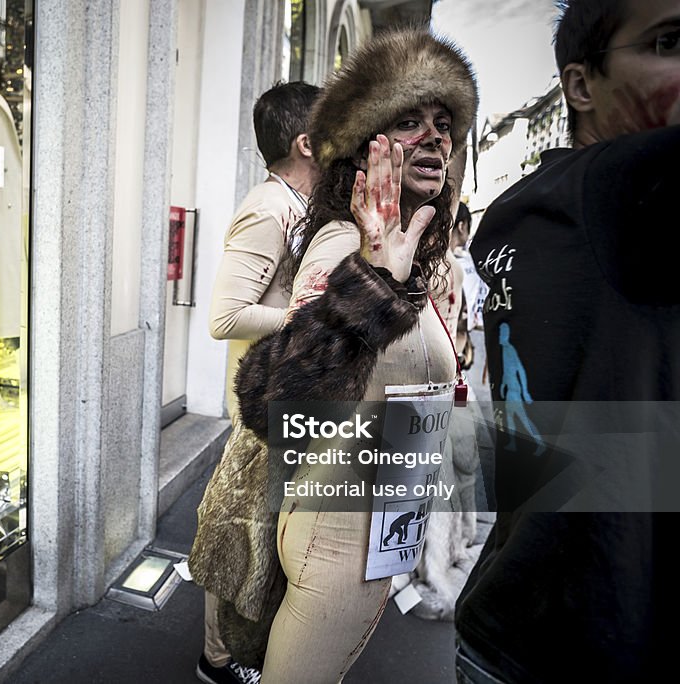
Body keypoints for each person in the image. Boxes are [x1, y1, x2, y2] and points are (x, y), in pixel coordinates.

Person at [198, 29, 476, 681]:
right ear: (362, 142)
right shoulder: (346, 242)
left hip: (370, 525)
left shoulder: (408, 245)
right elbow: (276, 398)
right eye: (409, 120)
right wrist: (369, 283)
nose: (435, 137)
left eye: (445, 122)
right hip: (339, 531)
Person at [455, 0, 680, 680]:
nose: (432, 144)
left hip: (519, 615)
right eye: (669, 42)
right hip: (570, 643)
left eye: (444, 128)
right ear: (581, 86)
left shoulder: (518, 212)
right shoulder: (617, 190)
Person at [193, 79, 320, 684]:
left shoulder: (298, 207)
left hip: (287, 398)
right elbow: (224, 315)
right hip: (262, 403)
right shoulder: (267, 209)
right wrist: (313, 315)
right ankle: (218, 660)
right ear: (306, 142)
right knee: (237, 532)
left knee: (264, 538)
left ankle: (239, 653)